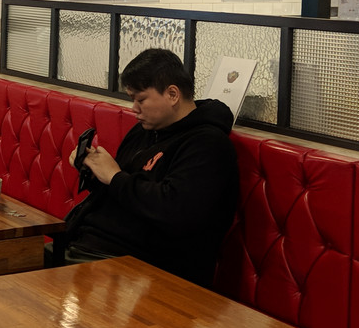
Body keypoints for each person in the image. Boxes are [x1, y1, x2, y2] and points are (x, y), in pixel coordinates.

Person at [65, 47, 239, 286]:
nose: (134, 109)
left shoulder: (208, 144)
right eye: (132, 100)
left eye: (141, 100)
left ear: (172, 94)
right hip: (92, 247)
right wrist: (95, 172)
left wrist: (114, 176)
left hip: (146, 268)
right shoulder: (144, 130)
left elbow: (176, 212)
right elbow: (123, 193)